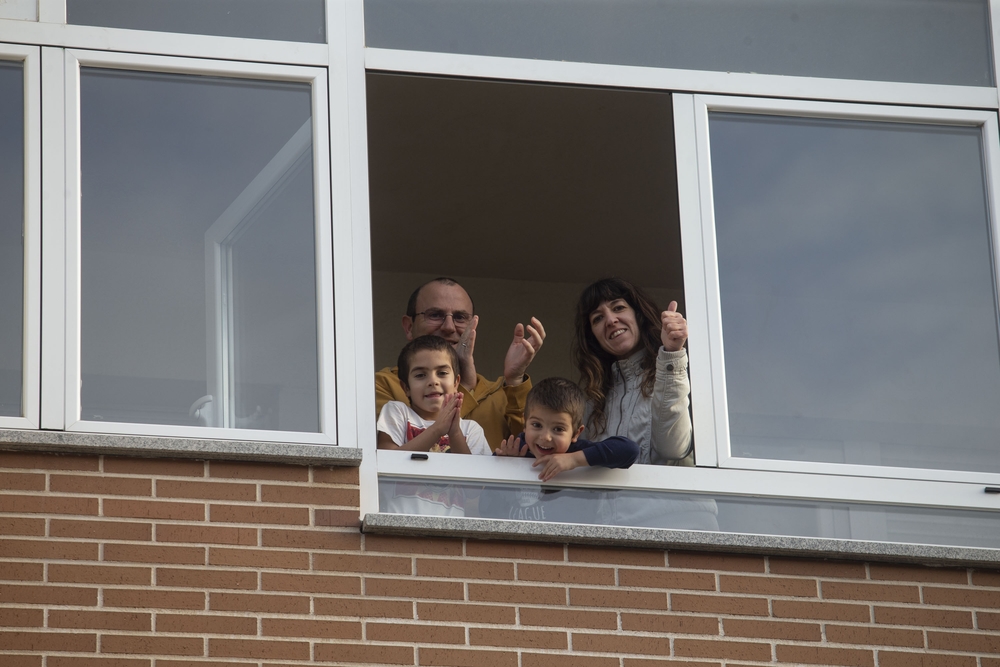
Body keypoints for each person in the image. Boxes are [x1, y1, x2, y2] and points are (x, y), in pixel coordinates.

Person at [572, 277, 718, 530]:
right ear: (593, 336)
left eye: (618, 308)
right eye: (597, 318)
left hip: (679, 523)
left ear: (637, 314)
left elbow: (673, 447)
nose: (610, 320)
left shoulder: (676, 367)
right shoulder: (593, 399)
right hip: (610, 530)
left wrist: (671, 354)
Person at [376, 277, 545, 449]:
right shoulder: (382, 384)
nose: (449, 327)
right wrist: (465, 385)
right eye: (435, 315)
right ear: (409, 327)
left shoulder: (500, 393)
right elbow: (383, 456)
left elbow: (534, 452)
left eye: (460, 317)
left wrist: (515, 380)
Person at [478, 378, 639, 522]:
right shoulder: (515, 450)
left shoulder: (575, 451)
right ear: (525, 423)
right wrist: (505, 473)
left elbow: (629, 450)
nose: (546, 437)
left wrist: (574, 460)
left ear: (576, 433)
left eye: (558, 429)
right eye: (537, 425)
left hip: (569, 548)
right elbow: (485, 510)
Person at [376, 335, 490, 516]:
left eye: (442, 373)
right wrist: (437, 429)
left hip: (449, 533)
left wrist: (455, 433)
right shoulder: (397, 412)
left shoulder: (470, 430)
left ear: (456, 383)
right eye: (421, 375)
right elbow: (386, 464)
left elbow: (474, 490)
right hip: (397, 527)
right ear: (406, 387)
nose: (433, 381)